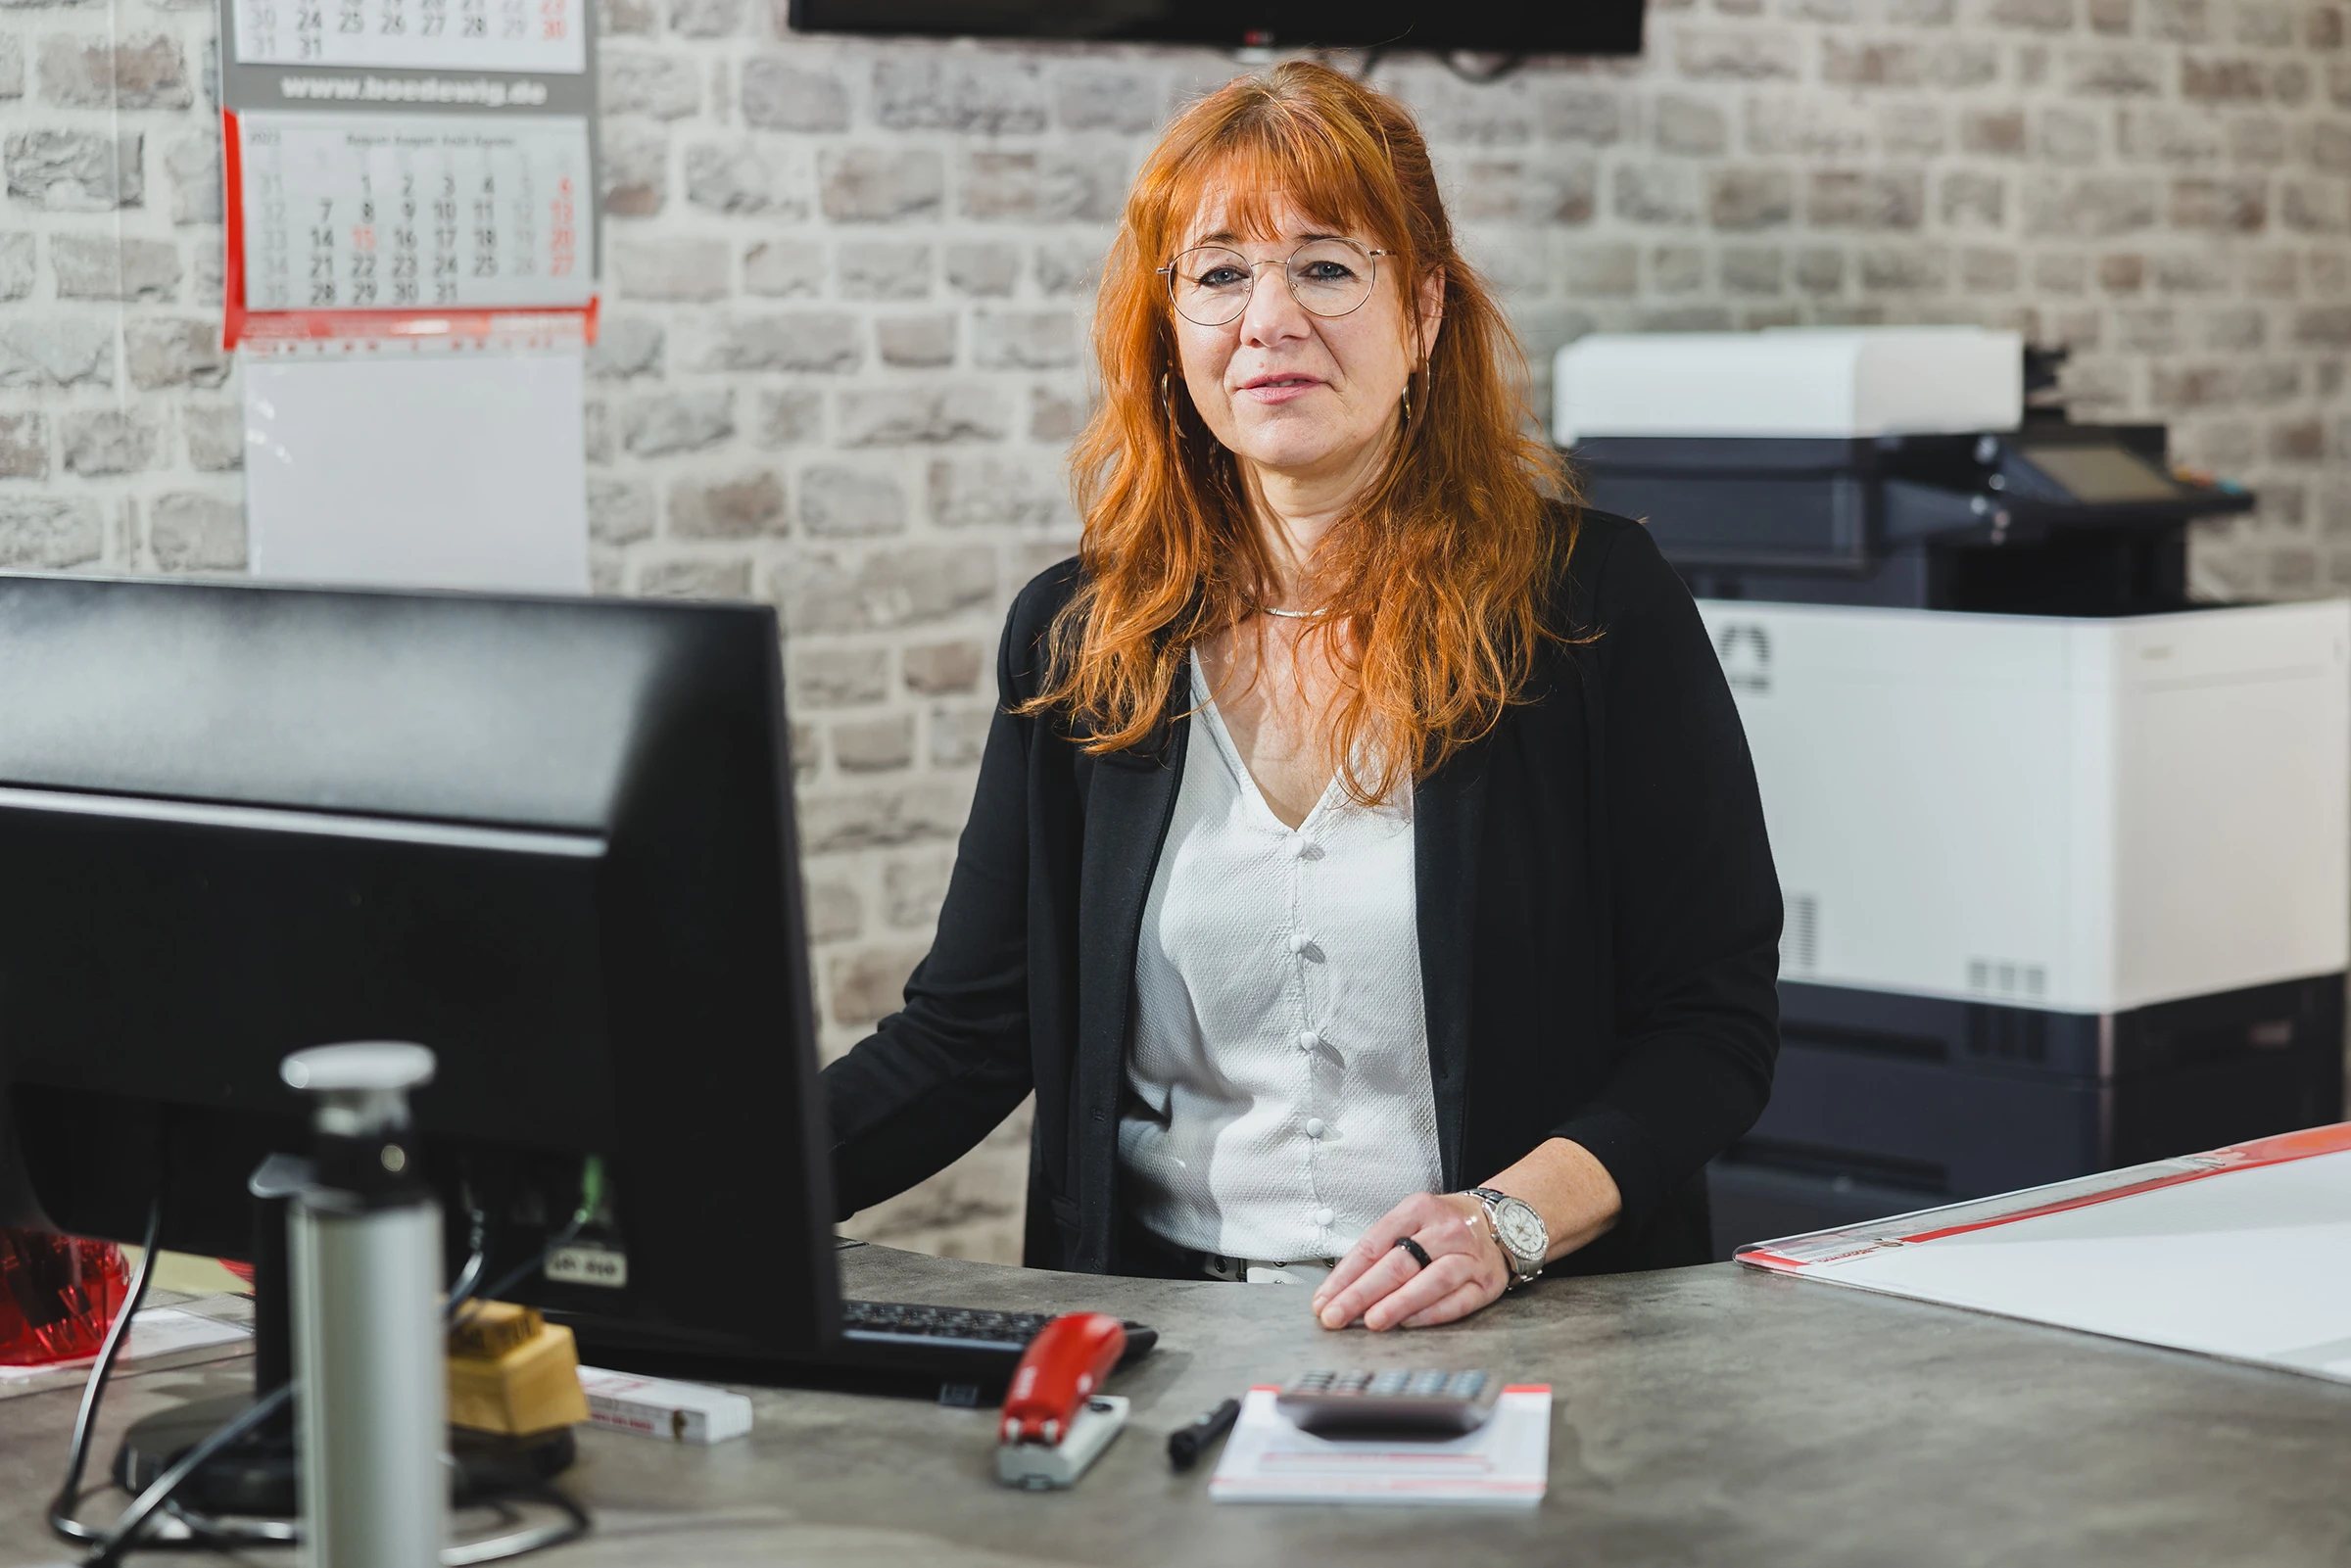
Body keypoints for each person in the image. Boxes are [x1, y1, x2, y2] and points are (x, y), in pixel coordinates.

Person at [822, 61, 1780, 1332]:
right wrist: (668, 1197)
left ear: (1423, 313)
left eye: (1325, 267)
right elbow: (966, 1039)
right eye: (1221, 274)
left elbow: (1711, 1029)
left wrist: (1506, 1224)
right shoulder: (1080, 637)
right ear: (1170, 329)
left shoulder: (1588, 605)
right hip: (1163, 1335)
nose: (1268, 319)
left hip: (1520, 1325)